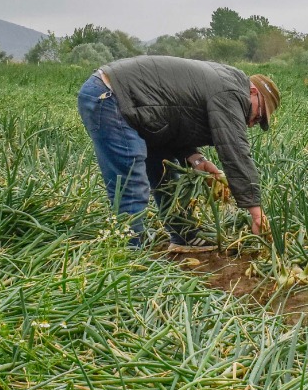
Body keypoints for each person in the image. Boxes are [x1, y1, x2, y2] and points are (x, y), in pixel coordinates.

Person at [77, 56, 279, 251]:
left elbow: (175, 116)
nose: (252, 123)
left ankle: (184, 236)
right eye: (259, 115)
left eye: (259, 123)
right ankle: (127, 257)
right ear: (252, 91)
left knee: (166, 171)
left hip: (136, 107)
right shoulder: (231, 91)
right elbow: (235, 150)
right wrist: (256, 212)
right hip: (112, 97)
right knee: (131, 184)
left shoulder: (226, 84)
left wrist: (195, 158)